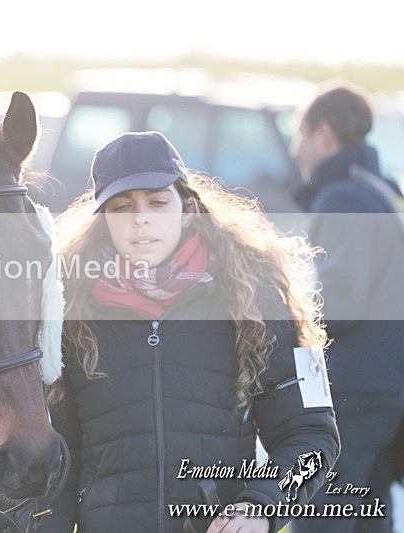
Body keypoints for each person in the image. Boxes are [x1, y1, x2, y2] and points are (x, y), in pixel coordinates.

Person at [37, 131, 339, 533]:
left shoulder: (258, 295)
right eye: (121, 207)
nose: (140, 218)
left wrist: (261, 506)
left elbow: (312, 437)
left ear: (187, 208)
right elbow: (56, 461)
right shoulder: (66, 308)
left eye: (158, 202)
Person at [290, 80, 404, 533]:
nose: (296, 149)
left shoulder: (343, 196)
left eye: (300, 134)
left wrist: (285, 327)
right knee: (370, 516)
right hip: (386, 384)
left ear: (325, 134)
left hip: (355, 389)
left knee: (320, 515)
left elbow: (339, 303)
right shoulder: (382, 188)